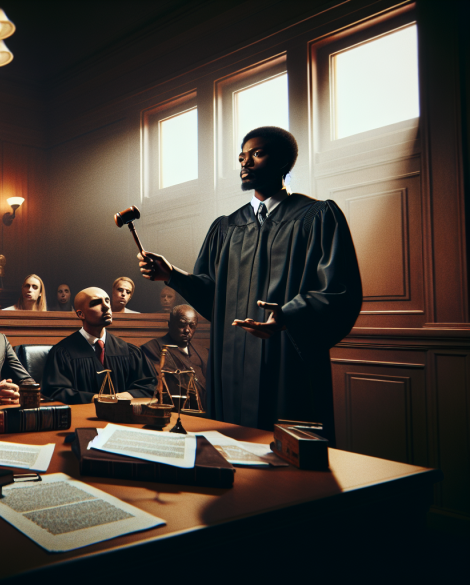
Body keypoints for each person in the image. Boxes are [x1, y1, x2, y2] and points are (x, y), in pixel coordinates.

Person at [139, 126, 362, 443]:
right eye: (242, 157)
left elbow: (338, 290)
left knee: (288, 457)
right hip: (230, 361)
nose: (246, 163)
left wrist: (287, 315)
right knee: (229, 446)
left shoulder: (316, 217)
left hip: (286, 359)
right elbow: (211, 293)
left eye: (257, 154)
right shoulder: (227, 227)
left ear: (284, 161)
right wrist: (172, 274)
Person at [42, 287, 155, 404]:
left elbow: (150, 387)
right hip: (82, 420)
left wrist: (118, 398)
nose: (106, 307)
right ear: (81, 314)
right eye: (96, 303)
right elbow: (55, 392)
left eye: (107, 301)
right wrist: (100, 399)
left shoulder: (129, 351)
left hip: (123, 419)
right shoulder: (62, 352)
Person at [141, 305, 206, 401]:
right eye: (181, 325)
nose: (187, 330)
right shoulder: (152, 348)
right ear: (169, 324)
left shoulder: (203, 352)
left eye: (192, 326)